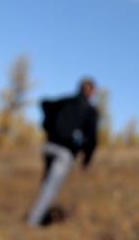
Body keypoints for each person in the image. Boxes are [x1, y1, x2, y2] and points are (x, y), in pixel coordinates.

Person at [26, 79, 98, 227]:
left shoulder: (65, 101)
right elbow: (92, 138)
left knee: (46, 182)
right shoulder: (90, 111)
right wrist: (87, 160)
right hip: (65, 152)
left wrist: (48, 126)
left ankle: (40, 213)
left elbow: (45, 103)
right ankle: (32, 223)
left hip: (49, 146)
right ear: (91, 92)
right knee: (50, 187)